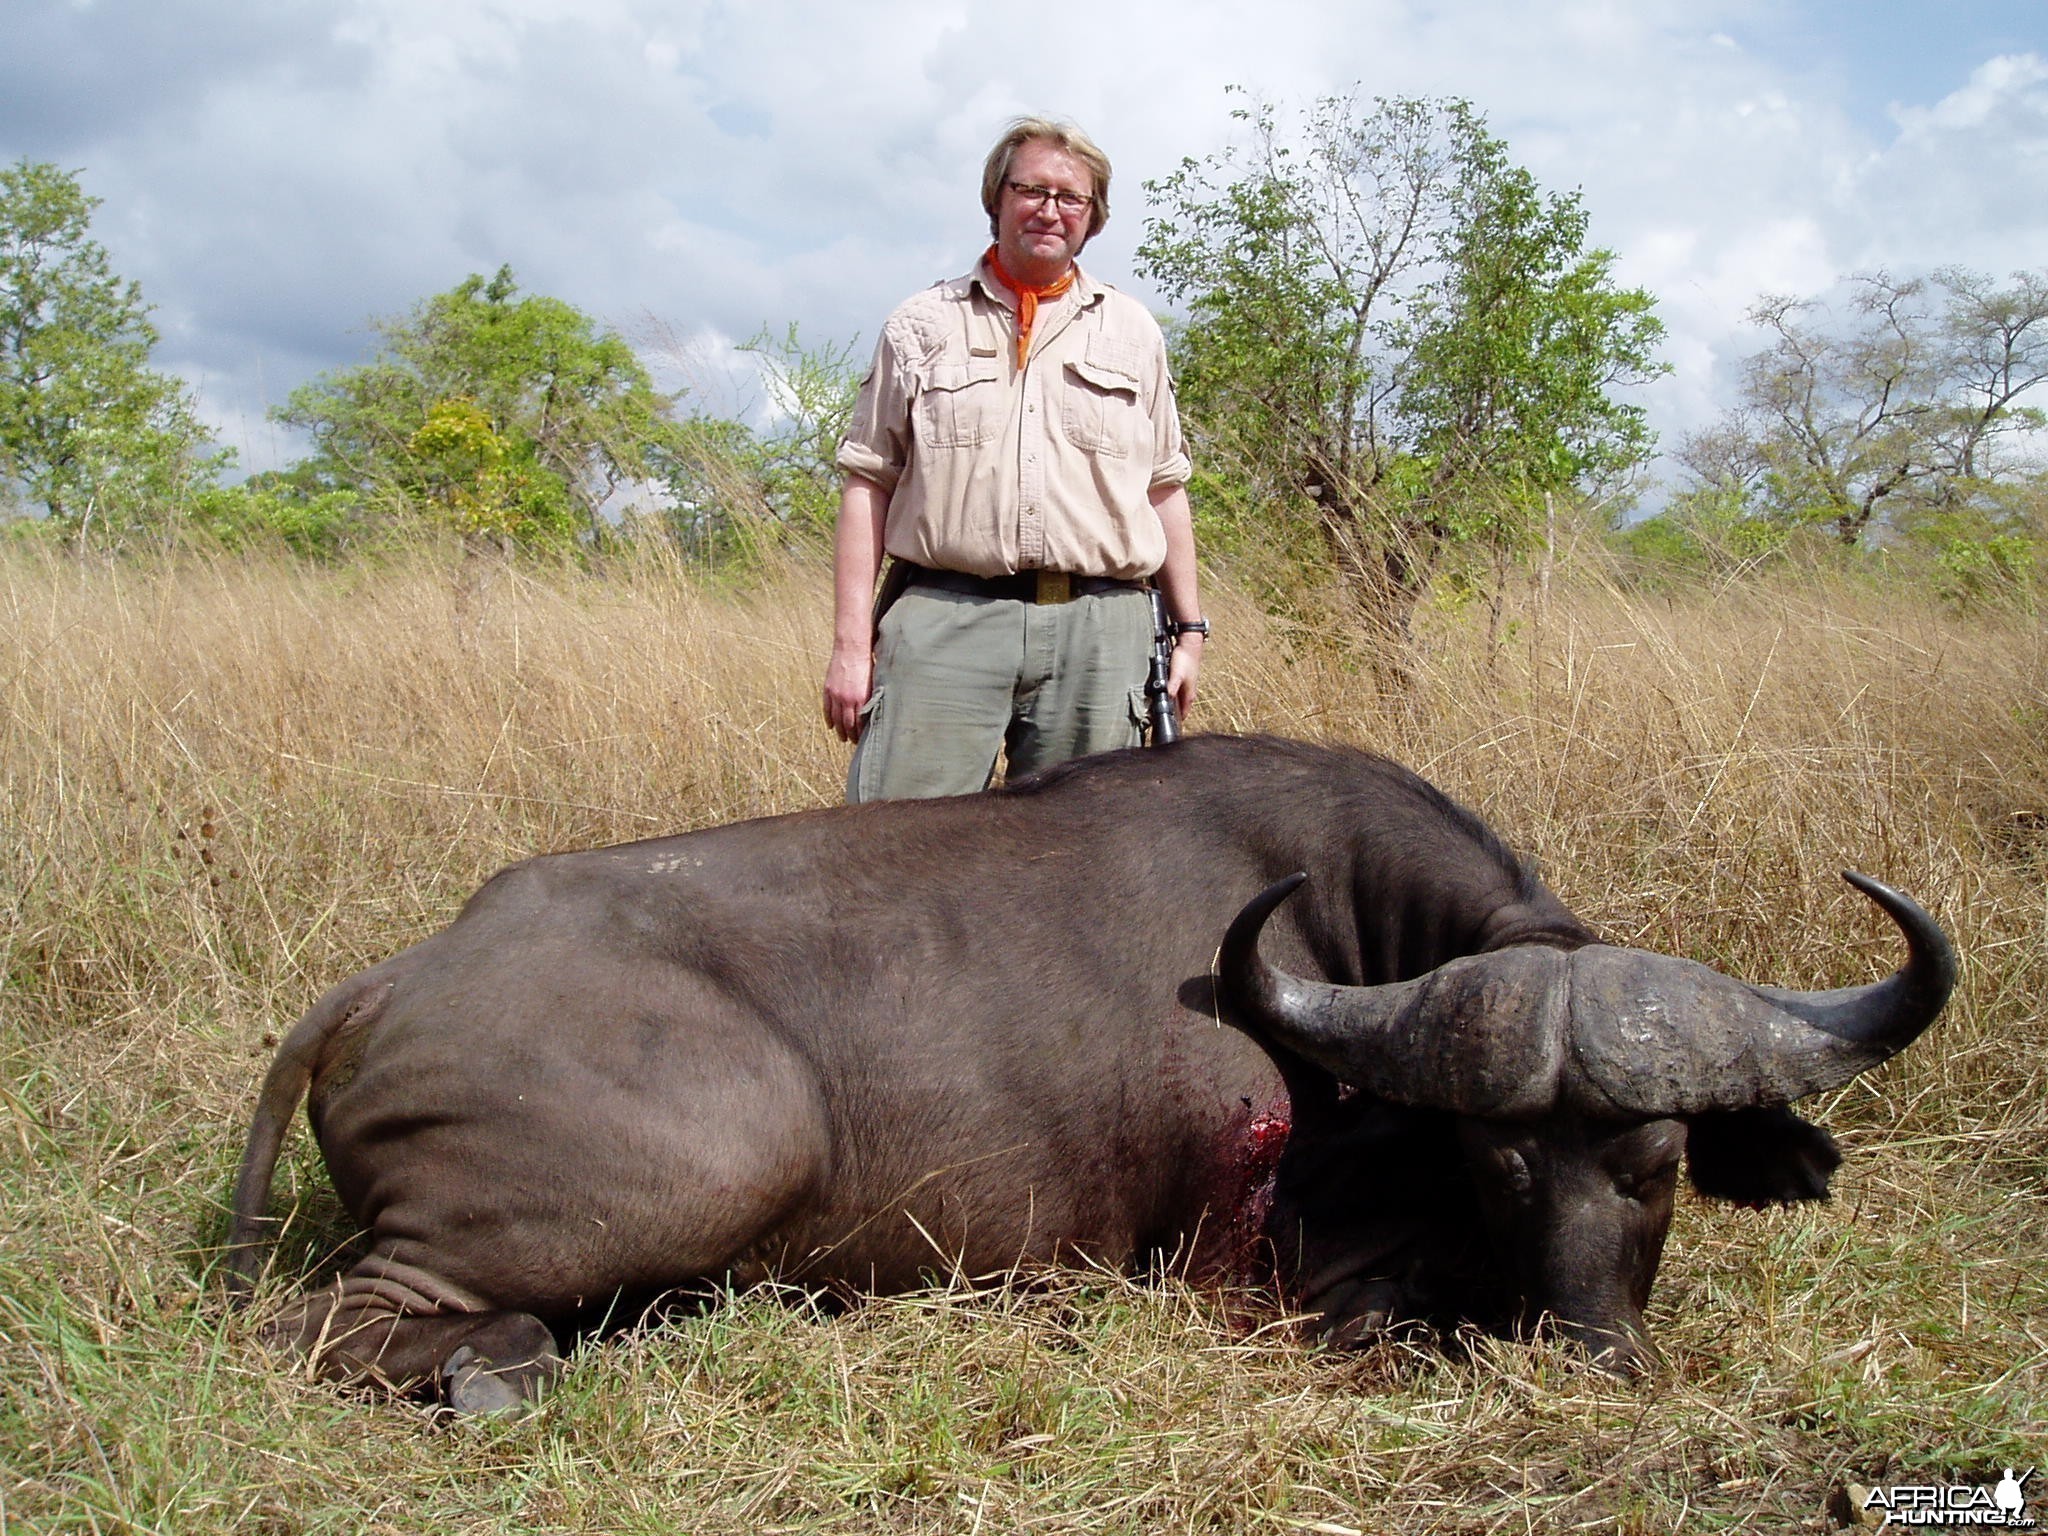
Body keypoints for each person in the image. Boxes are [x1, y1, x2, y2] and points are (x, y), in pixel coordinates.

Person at [823, 116, 1206, 801]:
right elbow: (867, 484)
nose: (1050, 210)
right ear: (996, 198)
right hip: (945, 618)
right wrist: (851, 649)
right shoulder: (921, 324)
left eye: (1072, 198)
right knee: (895, 860)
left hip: (1100, 633)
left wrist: (1191, 632)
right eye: (1031, 189)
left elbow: (1163, 488)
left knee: (1079, 865)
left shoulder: (1134, 331)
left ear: (1093, 218)